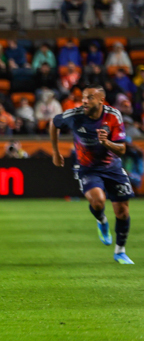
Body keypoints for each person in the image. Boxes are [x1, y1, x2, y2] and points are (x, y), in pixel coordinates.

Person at [50, 85, 134, 264]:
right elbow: (54, 123)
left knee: (122, 211)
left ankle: (120, 251)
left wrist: (106, 142)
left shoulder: (113, 116)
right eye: (83, 97)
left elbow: (122, 150)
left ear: (101, 100)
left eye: (89, 98)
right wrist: (55, 152)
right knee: (98, 201)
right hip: (87, 168)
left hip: (112, 167)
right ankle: (102, 220)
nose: (84, 101)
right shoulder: (75, 115)